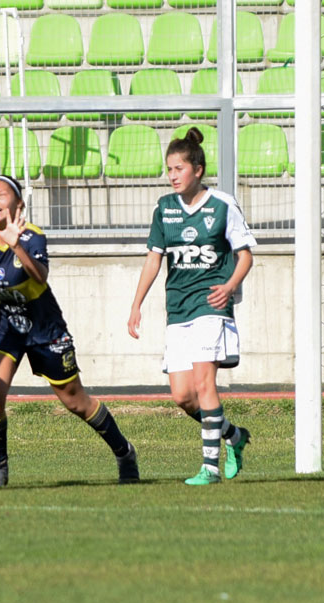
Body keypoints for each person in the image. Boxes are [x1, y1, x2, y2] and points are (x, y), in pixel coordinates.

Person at [0, 174, 139, 487]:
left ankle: (124, 451)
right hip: (5, 328)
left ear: (20, 203)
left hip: (44, 328)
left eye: (2, 194)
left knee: (75, 402)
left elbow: (40, 277)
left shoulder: (32, 237)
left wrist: (16, 246)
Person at [127, 127, 256, 486]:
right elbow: (154, 259)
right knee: (183, 396)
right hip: (178, 308)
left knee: (203, 382)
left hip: (210, 304)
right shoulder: (165, 209)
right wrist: (136, 305)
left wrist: (230, 286)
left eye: (178, 169)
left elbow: (245, 256)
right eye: (169, 169)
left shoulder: (222, 205)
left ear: (197, 170)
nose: (172, 176)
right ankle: (234, 436)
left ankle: (210, 469)